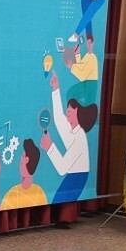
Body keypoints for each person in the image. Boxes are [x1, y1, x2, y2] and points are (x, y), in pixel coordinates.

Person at [41, 71, 98, 202]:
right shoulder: (73, 131)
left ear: (76, 111)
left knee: (58, 200)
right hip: (74, 176)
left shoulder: (79, 137)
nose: (66, 114)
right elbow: (58, 119)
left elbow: (62, 168)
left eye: (68, 111)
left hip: (77, 178)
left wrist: (50, 147)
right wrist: (55, 89)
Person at [0, 139, 47, 212]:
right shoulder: (13, 193)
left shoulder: (38, 193)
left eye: (23, 156)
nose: (21, 158)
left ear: (27, 160)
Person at [65, 32, 98, 106]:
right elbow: (80, 67)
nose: (89, 44)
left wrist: (72, 66)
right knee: (70, 95)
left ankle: (82, 109)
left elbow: (82, 76)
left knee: (88, 105)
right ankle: (81, 109)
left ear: (93, 43)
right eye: (88, 42)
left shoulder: (92, 58)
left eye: (90, 42)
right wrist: (77, 54)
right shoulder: (87, 56)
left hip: (90, 84)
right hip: (86, 84)